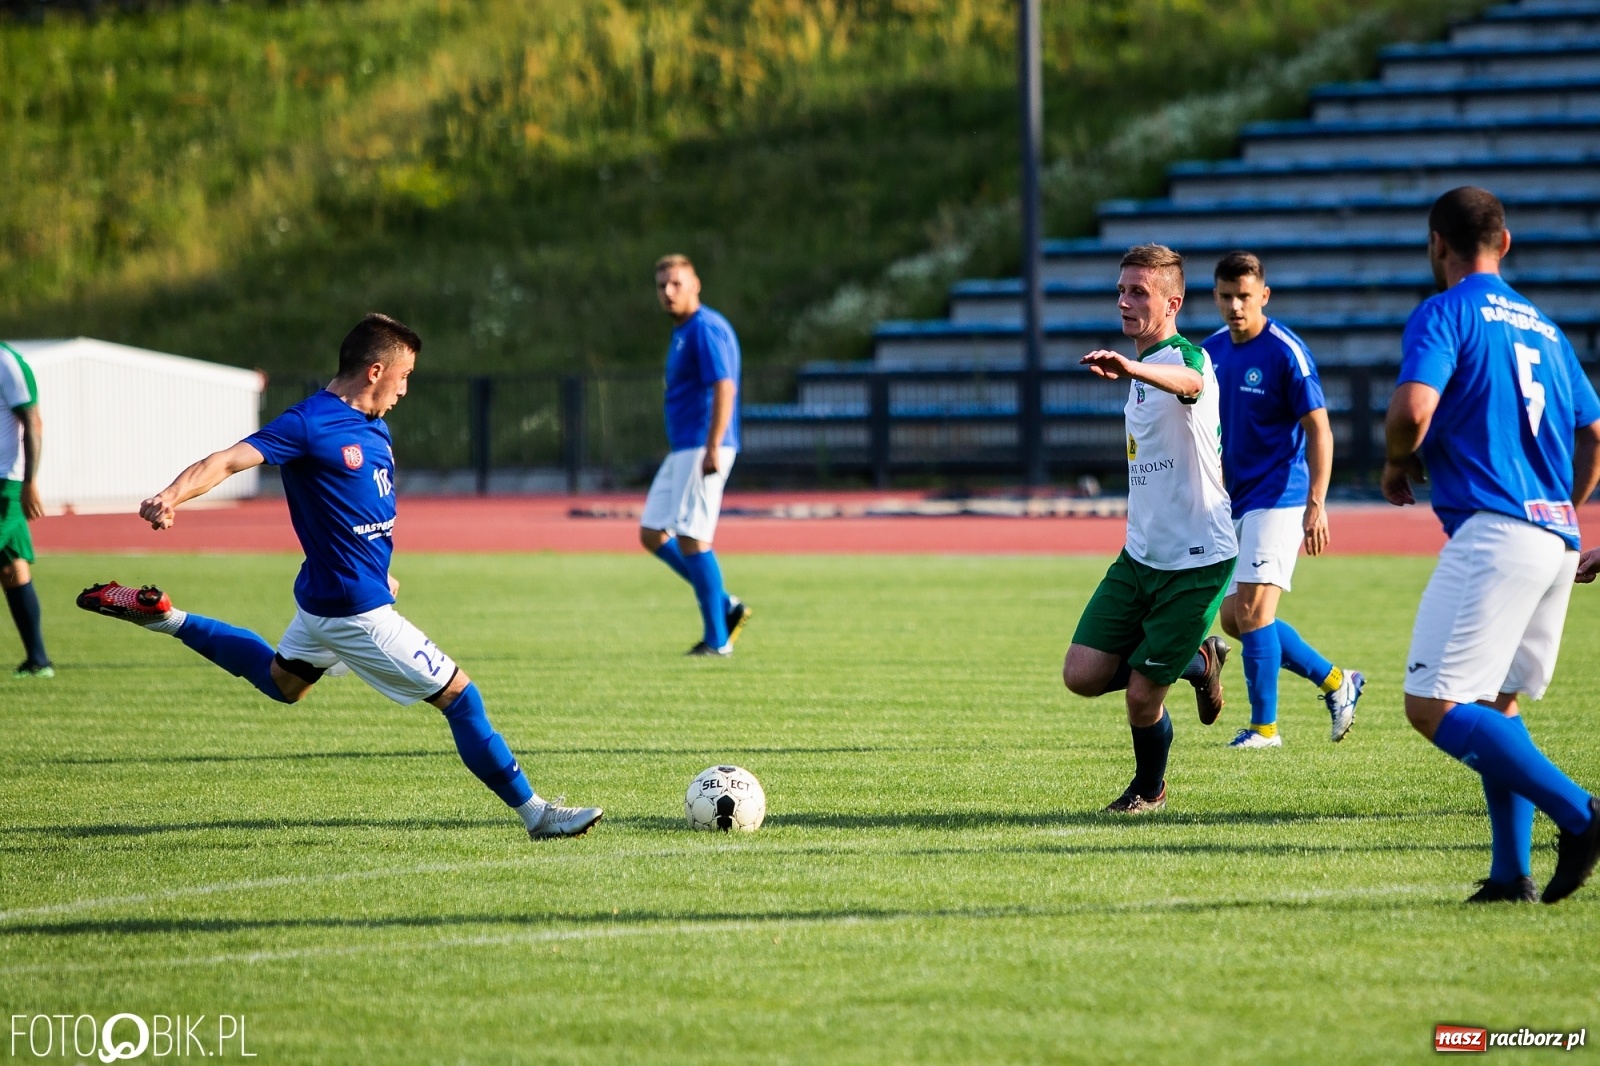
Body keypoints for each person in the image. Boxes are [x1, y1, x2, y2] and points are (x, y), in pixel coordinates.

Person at [76, 314, 602, 841]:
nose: (405, 388)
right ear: (375, 371)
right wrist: (171, 496)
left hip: (327, 598)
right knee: (461, 698)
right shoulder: (309, 422)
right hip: (354, 610)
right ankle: (537, 813)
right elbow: (230, 460)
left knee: (283, 683)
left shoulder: (375, 425)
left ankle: (166, 617)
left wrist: (380, 569)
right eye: (404, 376)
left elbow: (361, 508)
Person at [1385, 186, 1600, 904]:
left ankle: (1581, 814)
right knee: (1497, 705)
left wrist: (1393, 459)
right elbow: (1594, 434)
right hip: (1556, 535)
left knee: (1432, 705)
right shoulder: (1544, 326)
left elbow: (1414, 410)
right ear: (1504, 244)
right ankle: (1510, 874)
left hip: (1496, 530)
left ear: (1436, 245)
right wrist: (1567, 510)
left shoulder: (1445, 312)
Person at [1063, 243, 1237, 814]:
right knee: (1082, 674)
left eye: (1139, 291)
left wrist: (1133, 365)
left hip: (1196, 561)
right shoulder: (1138, 374)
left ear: (1173, 302)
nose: (1125, 300)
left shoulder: (1189, 358)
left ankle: (1149, 789)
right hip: (1140, 557)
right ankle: (1199, 660)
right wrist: (1133, 369)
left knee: (1141, 697)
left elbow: (1188, 383)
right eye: (1121, 290)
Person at [1202, 252, 1363, 748]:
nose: (1235, 306)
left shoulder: (1285, 352)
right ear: (1216, 296)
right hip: (1233, 499)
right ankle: (1338, 681)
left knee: (1251, 613)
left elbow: (1320, 429)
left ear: (1264, 296)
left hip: (1281, 494)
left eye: (1244, 296)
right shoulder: (1209, 352)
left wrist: (1317, 501)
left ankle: (1264, 729)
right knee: (1238, 619)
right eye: (1227, 296)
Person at [639, 254, 751, 656]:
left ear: (695, 284)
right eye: (661, 285)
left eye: (676, 283)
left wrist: (712, 446)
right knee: (652, 533)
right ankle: (724, 603)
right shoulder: (684, 330)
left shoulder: (706, 328)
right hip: (684, 448)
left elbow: (725, 386)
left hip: (703, 446)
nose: (668, 292)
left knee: (693, 538)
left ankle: (717, 641)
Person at [1, 342, 51, 678]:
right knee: (12, 569)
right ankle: (38, 661)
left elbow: (32, 420)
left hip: (3, 482)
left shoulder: (6, 361)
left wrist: (30, 481)